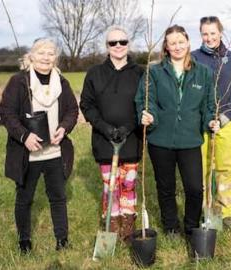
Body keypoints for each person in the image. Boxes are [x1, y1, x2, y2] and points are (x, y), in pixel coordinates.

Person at [135, 25, 219, 238]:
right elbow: (145, 100)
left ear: (188, 43)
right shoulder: (154, 72)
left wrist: (211, 121)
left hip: (190, 139)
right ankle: (170, 226)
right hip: (160, 140)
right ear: (166, 46)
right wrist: (148, 115)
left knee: (194, 188)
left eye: (181, 42)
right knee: (166, 187)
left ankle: (191, 225)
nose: (177, 46)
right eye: (172, 43)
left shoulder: (203, 73)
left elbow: (209, 106)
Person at [0, 38, 78, 253]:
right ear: (31, 56)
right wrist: (24, 136)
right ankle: (24, 240)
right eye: (41, 53)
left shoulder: (62, 82)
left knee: (58, 198)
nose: (46, 57)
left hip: (55, 152)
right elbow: (7, 113)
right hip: (28, 153)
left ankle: (62, 240)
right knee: (24, 198)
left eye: (51, 53)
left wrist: (64, 128)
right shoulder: (19, 82)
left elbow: (72, 110)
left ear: (56, 58)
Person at [80, 26, 143, 242]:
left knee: (129, 183)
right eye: (112, 43)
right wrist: (104, 128)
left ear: (128, 44)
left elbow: (145, 105)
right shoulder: (95, 73)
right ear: (106, 46)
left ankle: (127, 222)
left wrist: (129, 127)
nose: (118, 46)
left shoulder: (140, 73)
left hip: (131, 139)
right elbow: (87, 105)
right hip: (104, 140)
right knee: (111, 185)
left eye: (122, 42)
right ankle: (112, 222)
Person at [191, 16, 231, 228]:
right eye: (205, 33)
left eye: (213, 33)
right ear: (201, 35)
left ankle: (225, 212)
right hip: (201, 123)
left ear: (220, 33)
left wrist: (224, 117)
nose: (209, 37)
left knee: (225, 167)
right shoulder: (193, 58)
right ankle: (206, 208)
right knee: (202, 168)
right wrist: (204, 117)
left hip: (228, 121)